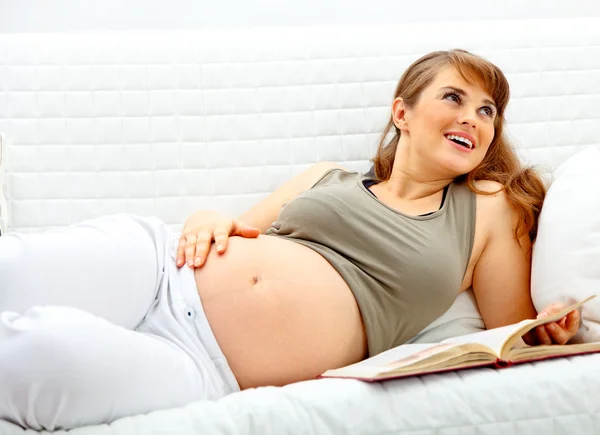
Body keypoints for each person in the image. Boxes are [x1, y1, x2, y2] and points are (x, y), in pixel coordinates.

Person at [0, 49, 581, 431]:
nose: (474, 119)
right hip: (157, 266)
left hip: (204, 366)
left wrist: (549, 333)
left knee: (36, 353)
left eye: (488, 111)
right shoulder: (325, 175)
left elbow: (509, 336)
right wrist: (205, 215)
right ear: (402, 113)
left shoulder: (486, 207)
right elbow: (237, 227)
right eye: (454, 97)